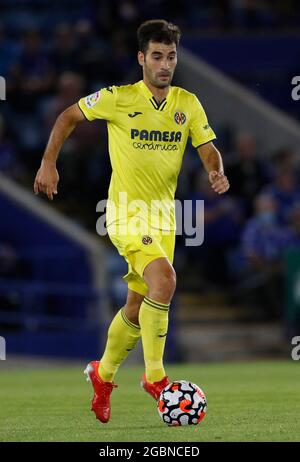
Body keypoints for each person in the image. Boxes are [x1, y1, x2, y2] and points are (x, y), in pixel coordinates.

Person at [33, 19, 229, 424]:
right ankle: (156, 379)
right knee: (166, 280)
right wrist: (49, 161)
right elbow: (68, 115)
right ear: (142, 58)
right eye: (157, 56)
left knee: (138, 305)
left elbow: (207, 146)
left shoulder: (187, 103)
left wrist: (215, 170)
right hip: (123, 213)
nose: (164, 64)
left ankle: (101, 377)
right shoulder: (119, 98)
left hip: (163, 218)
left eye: (171, 57)